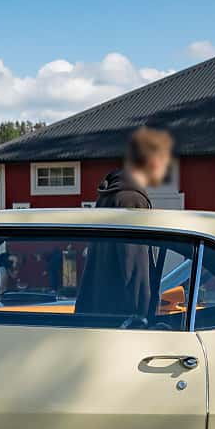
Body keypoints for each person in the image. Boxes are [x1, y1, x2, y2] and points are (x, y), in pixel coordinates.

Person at [77, 127, 176, 316]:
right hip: (123, 319)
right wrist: (145, 317)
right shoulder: (132, 200)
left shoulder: (108, 197)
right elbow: (134, 269)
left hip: (99, 312)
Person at [93, 126, 172, 208]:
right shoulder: (133, 199)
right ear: (155, 162)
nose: (165, 171)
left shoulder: (106, 194)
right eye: (166, 165)